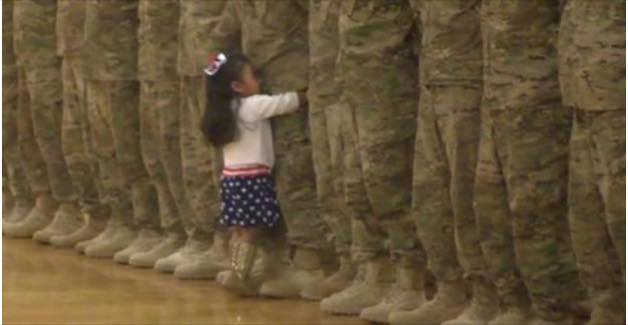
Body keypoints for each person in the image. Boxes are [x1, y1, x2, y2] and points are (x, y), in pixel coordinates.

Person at [201, 53, 307, 295]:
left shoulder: (223, 113)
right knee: (252, 229)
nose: (258, 81)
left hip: (231, 179)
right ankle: (240, 275)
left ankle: (236, 269)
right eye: (252, 76)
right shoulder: (251, 106)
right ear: (237, 87)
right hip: (253, 178)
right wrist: (305, 95)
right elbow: (284, 102)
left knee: (239, 228)